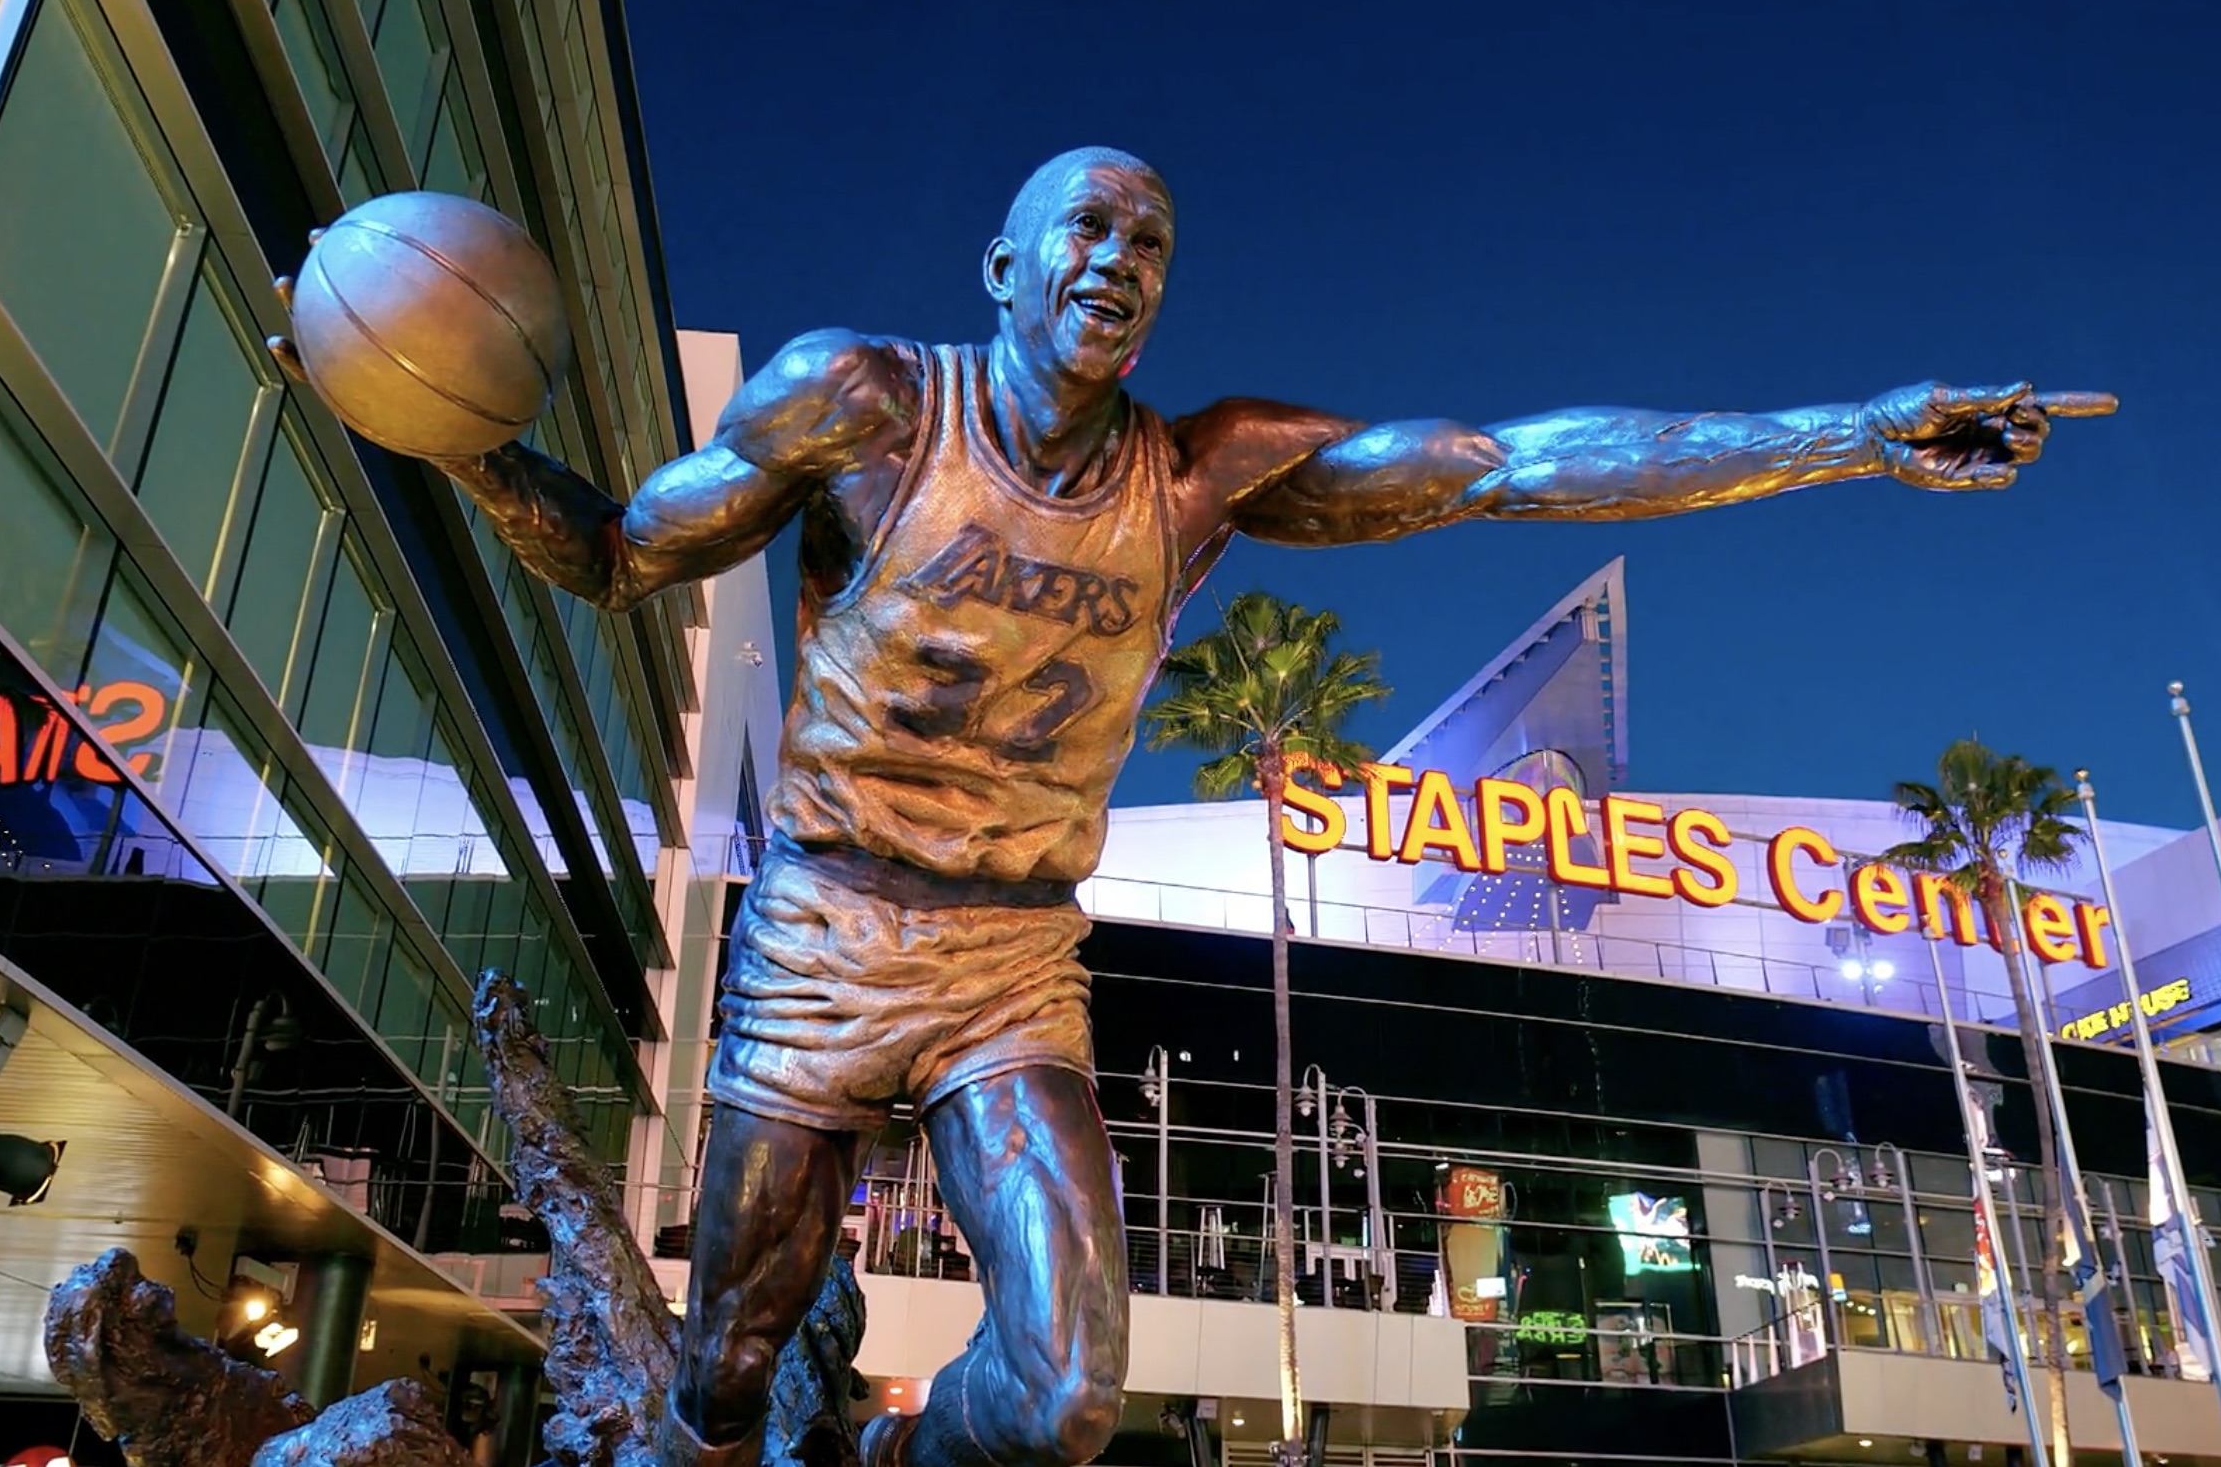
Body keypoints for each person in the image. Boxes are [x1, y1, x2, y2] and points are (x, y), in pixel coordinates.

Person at [274, 145, 2111, 1467]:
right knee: (724, 1379)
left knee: (1069, 1385)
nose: (1121, 258)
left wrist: (1853, 430)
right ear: (1000, 265)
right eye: (1085, 223)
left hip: (1011, 961)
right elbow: (609, 550)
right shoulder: (865, 404)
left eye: (1152, 241)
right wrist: (455, 439)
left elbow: (1520, 466)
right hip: (821, 933)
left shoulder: (1202, 473)